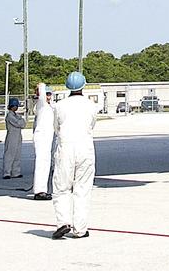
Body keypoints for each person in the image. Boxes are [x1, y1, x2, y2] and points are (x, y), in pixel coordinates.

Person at [52, 72, 98, 240]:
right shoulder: (91, 105)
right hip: (85, 148)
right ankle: (80, 229)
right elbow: (92, 125)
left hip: (66, 147)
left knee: (61, 187)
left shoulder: (59, 106)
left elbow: (56, 127)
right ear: (83, 85)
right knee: (83, 189)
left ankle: (63, 222)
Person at [32, 81, 54, 199]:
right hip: (41, 137)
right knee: (41, 163)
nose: (48, 96)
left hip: (48, 137)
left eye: (49, 94)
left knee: (46, 163)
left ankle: (42, 189)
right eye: (46, 94)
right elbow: (41, 90)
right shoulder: (41, 104)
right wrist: (41, 86)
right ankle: (39, 191)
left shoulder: (49, 106)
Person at [3, 97, 26, 178]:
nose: (16, 107)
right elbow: (19, 123)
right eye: (15, 106)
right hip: (11, 136)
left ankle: (16, 172)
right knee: (9, 154)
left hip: (18, 136)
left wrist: (20, 121)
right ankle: (7, 172)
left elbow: (23, 124)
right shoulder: (10, 116)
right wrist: (20, 121)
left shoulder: (17, 115)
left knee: (17, 154)